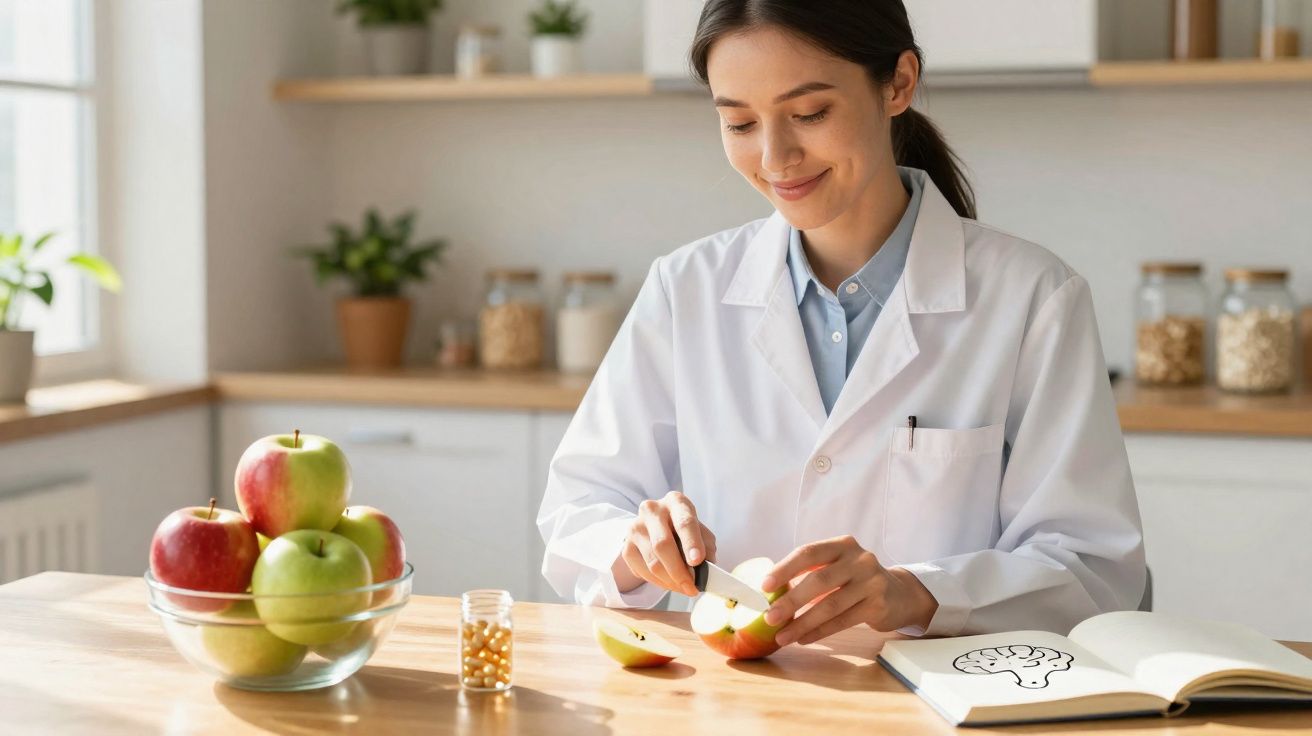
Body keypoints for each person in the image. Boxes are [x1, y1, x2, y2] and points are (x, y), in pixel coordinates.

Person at [537, 0, 1145, 644]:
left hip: (935, 706)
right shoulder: (685, 288)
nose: (775, 156)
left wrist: (918, 592)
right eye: (740, 123)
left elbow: (1091, 565)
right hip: (736, 702)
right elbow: (579, 507)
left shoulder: (1032, 297)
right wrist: (636, 544)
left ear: (898, 84)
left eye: (809, 113)